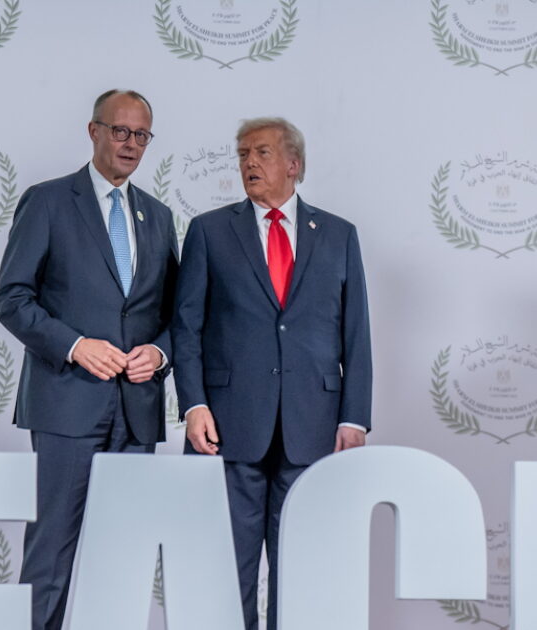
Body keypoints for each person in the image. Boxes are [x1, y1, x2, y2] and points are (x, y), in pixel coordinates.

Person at [172, 117, 372, 630]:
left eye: (261, 152)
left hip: (313, 428)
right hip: (228, 428)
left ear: (293, 164)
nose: (249, 163)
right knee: (226, 570)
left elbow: (356, 333)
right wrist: (193, 404)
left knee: (300, 571)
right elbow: (186, 328)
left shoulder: (339, 235)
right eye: (242, 154)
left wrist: (354, 417)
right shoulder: (209, 232)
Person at [0, 89, 178, 630]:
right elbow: (11, 299)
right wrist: (75, 346)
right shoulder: (48, 201)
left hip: (137, 411)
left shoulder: (159, 216)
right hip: (66, 405)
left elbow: (176, 314)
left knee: (121, 556)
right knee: (51, 555)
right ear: (93, 131)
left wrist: (159, 352)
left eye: (141, 135)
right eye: (120, 131)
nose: (130, 144)